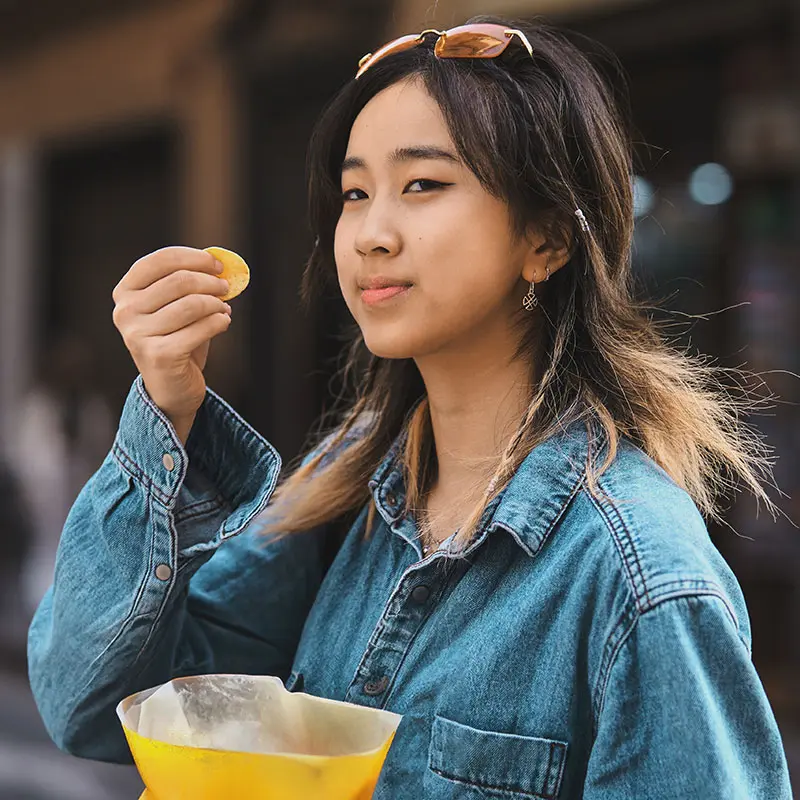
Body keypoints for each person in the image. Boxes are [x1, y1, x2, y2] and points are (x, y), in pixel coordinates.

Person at [27, 16, 793, 798]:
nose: (370, 234)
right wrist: (166, 408)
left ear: (548, 237)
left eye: (423, 184)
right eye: (355, 193)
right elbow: (91, 708)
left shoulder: (640, 575)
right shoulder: (350, 489)